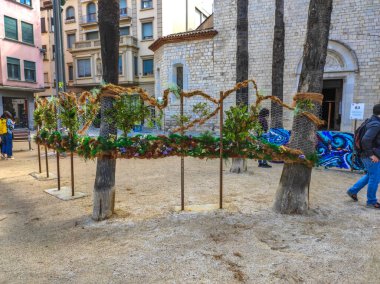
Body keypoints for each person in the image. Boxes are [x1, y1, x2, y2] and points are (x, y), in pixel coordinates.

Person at [347, 104, 380, 209]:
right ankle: (371, 201)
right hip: (370, 156)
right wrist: (371, 155)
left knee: (370, 175)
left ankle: (352, 191)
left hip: (366, 154)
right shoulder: (376, 124)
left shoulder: (371, 121)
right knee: (374, 177)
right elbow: (365, 140)